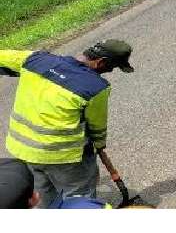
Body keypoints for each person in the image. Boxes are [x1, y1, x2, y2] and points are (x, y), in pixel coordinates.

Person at [0, 40, 134, 207]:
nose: (110, 71)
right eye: (112, 67)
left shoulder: (35, 59)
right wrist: (99, 145)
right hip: (63, 157)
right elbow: (96, 127)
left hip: (24, 150)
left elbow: (2, 57)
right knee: (78, 199)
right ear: (101, 62)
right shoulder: (96, 87)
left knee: (42, 197)